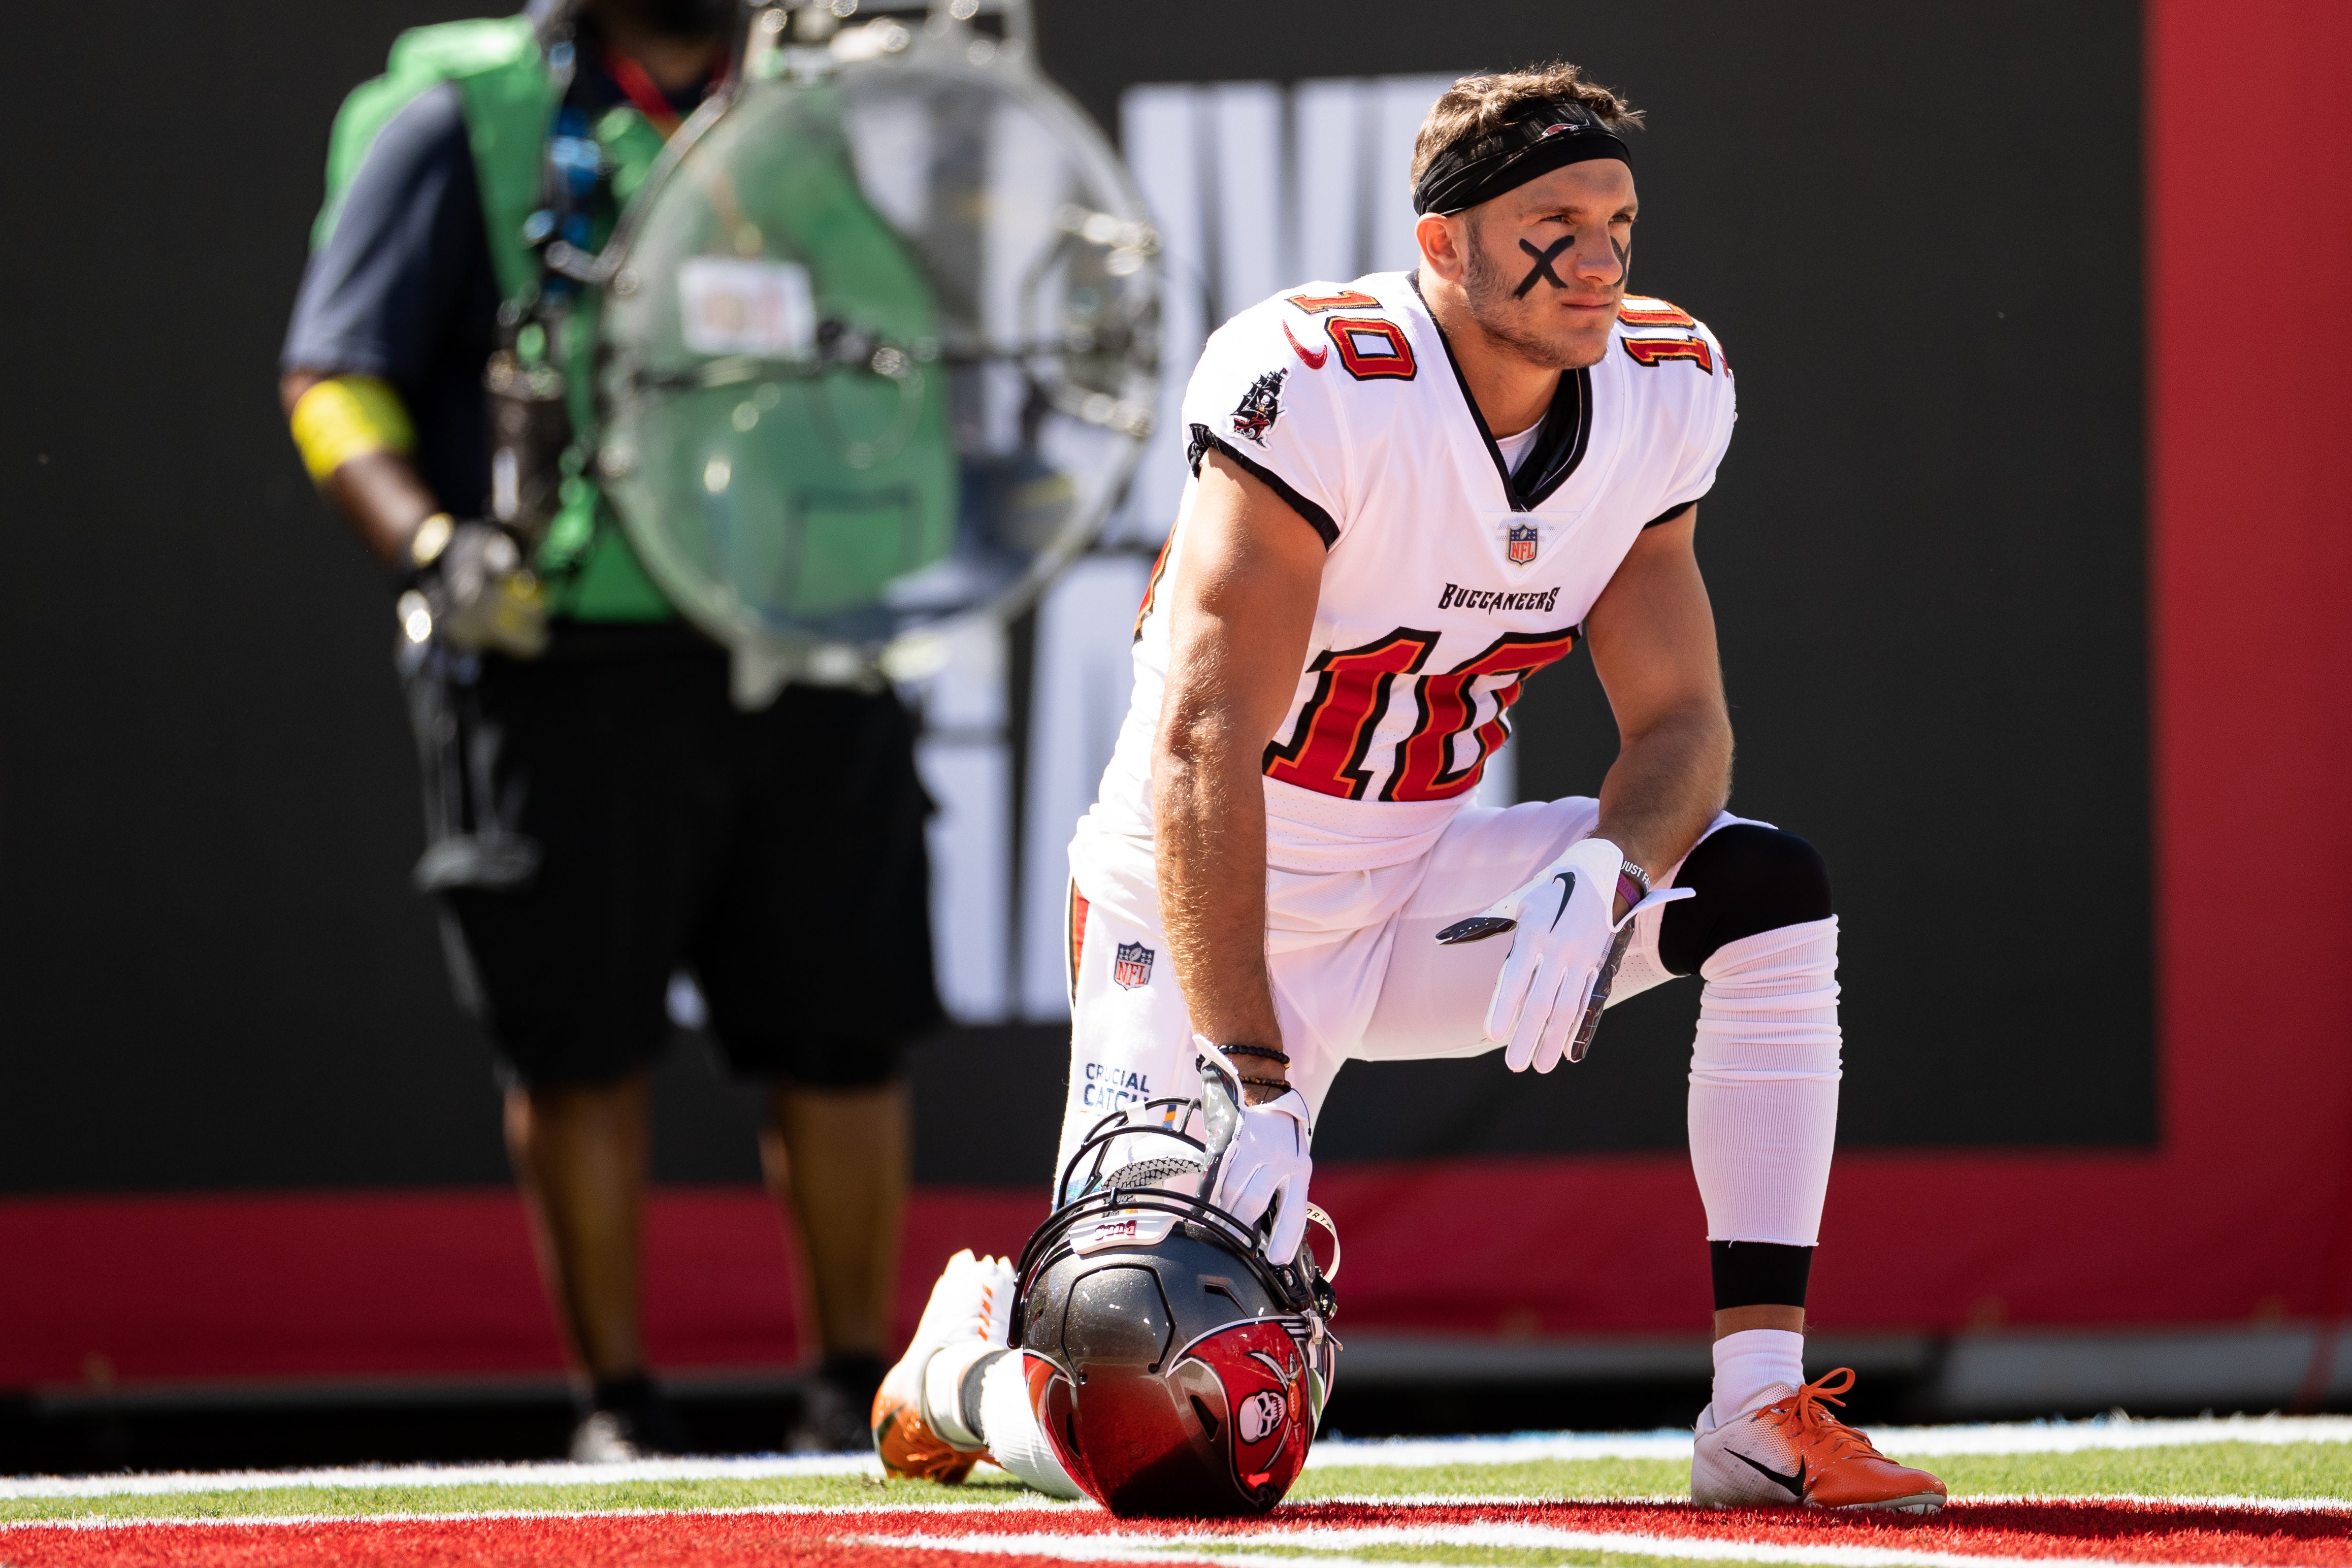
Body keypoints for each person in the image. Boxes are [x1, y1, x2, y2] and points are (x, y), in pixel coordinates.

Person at [868, 62, 1949, 1512]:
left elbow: (1684, 723)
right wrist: (1257, 1073)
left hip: (1421, 878)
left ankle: (1757, 1409)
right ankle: (961, 1366)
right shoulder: (1319, 384)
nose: (1599, 260)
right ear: (1441, 243)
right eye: (1552, 221)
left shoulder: (1660, 390)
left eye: (1619, 219)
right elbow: (1202, 748)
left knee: (1763, 889)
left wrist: (1611, 866)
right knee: (1165, 1429)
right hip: (1206, 913)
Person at [280, 0, 940, 1458]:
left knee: (845, 1033)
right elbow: (331, 375)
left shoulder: (842, 109)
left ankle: (848, 1398)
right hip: (562, 654)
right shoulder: (468, 116)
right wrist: (428, 548)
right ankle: (617, 1415)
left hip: (806, 642)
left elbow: (961, 339)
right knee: (574, 1045)